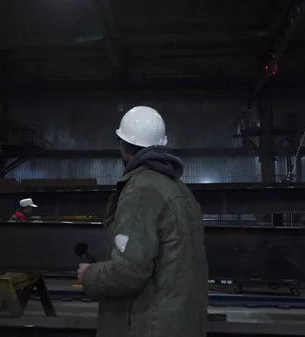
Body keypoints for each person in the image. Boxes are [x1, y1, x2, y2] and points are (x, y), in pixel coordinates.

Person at [77, 106, 208, 337]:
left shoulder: (141, 190)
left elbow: (127, 272)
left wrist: (88, 275)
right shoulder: (180, 189)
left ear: (124, 148)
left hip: (148, 327)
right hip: (180, 324)